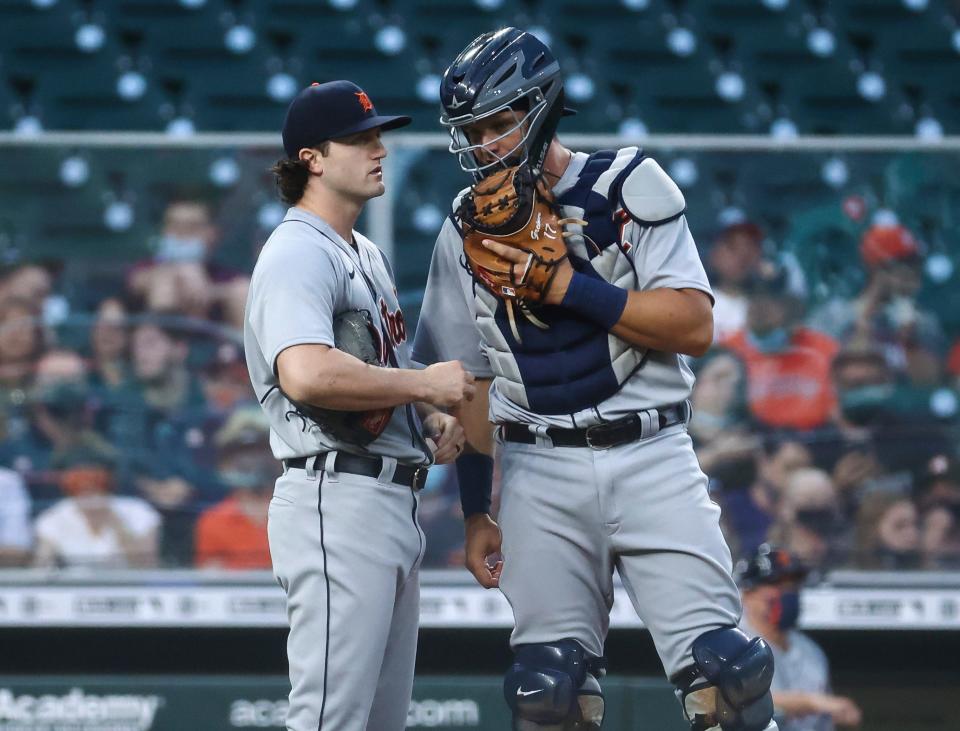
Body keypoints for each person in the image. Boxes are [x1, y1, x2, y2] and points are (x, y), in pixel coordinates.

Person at [413, 28, 777, 731]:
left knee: (727, 677)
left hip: (651, 454)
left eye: (499, 122)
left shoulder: (627, 186)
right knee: (547, 693)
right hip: (535, 465)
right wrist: (473, 509)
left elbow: (693, 325)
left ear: (541, 107)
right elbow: (473, 380)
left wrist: (564, 286)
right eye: (473, 130)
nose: (486, 143)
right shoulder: (463, 230)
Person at [243, 80, 473, 731]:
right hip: (334, 499)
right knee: (330, 721)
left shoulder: (363, 251)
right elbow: (308, 372)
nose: (379, 149)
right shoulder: (296, 250)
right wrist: (424, 387)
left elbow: (378, 372)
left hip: (387, 498)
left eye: (379, 135)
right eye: (361, 138)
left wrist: (425, 411)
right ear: (312, 157)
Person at [737, 544, 862, 730]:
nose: (787, 592)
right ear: (748, 593)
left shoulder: (811, 651)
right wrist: (812, 703)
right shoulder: (734, 642)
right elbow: (744, 703)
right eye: (776, 584)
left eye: (792, 585)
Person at [33, 449, 160, 569]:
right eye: (78, 482)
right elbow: (41, 567)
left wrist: (113, 518)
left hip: (130, 587)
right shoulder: (55, 516)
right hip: (78, 587)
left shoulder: (138, 511)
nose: (88, 489)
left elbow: (146, 566)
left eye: (96, 481)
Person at [194, 405, 274, 570]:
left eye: (259, 450)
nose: (251, 461)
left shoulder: (295, 513)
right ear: (227, 461)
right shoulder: (214, 521)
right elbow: (212, 581)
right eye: (242, 452)